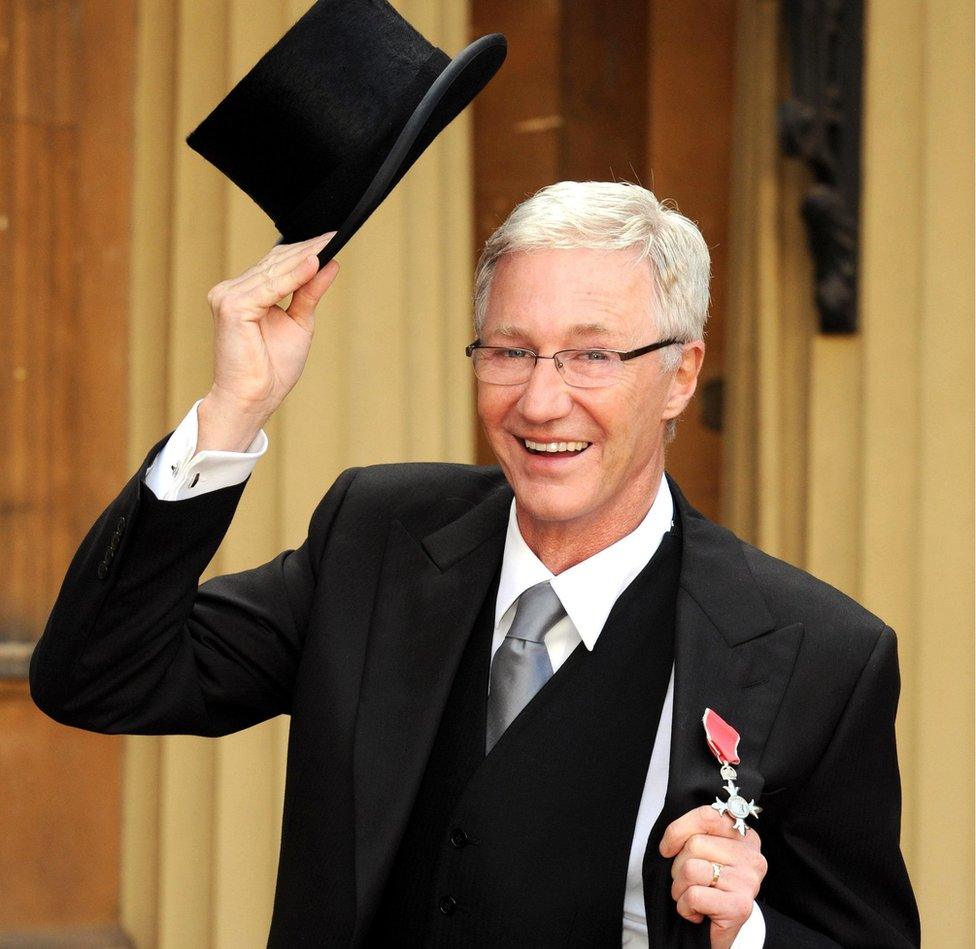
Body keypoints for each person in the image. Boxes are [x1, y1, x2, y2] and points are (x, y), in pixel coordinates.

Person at [31, 181, 919, 947]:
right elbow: (98, 675)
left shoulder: (820, 654)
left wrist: (748, 932)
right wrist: (233, 409)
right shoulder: (376, 539)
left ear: (681, 374)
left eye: (592, 354)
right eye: (508, 349)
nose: (540, 399)